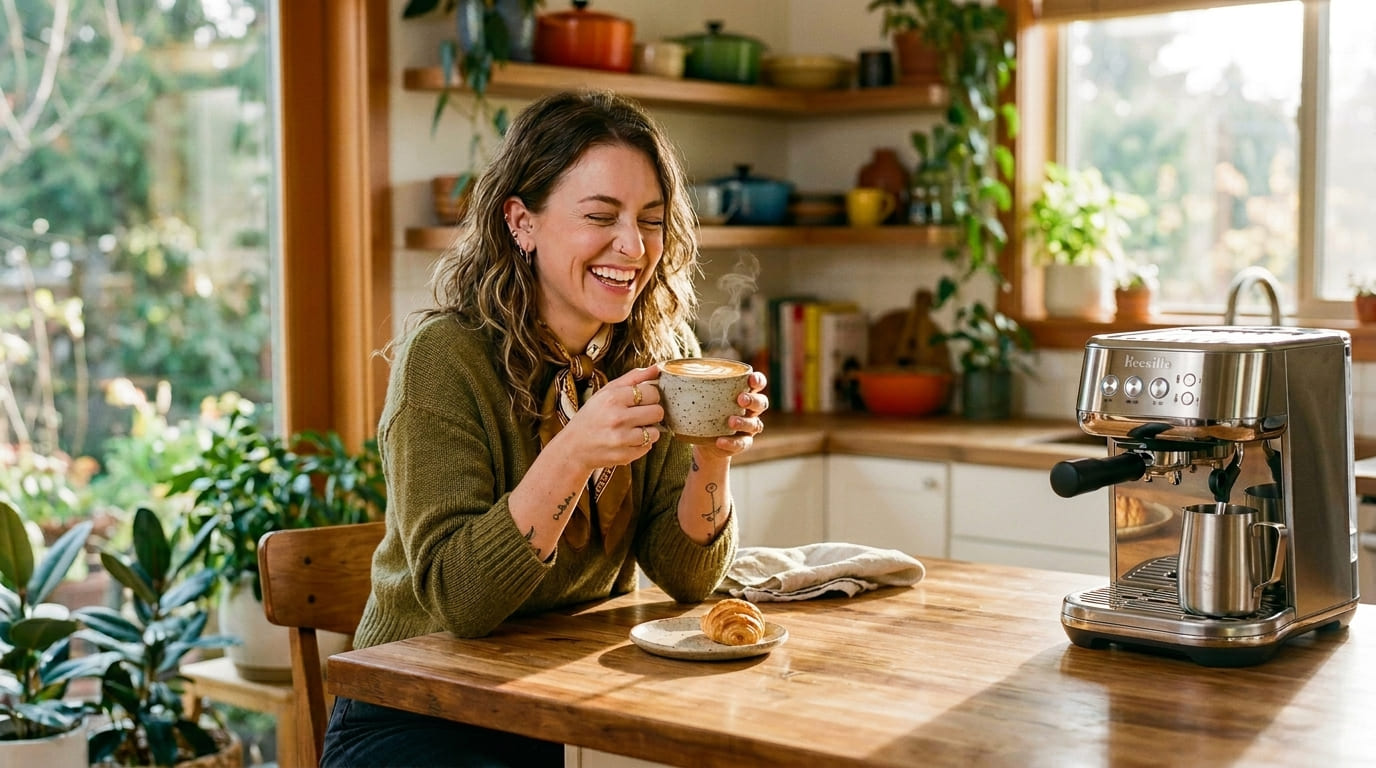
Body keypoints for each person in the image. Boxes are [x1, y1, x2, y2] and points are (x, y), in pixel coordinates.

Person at [320, 89, 769, 768]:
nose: (633, 246)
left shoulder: (656, 352)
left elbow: (689, 580)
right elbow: (461, 602)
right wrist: (575, 451)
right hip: (418, 712)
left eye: (651, 220)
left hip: (563, 702)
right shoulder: (445, 358)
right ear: (521, 223)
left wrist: (712, 456)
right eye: (600, 216)